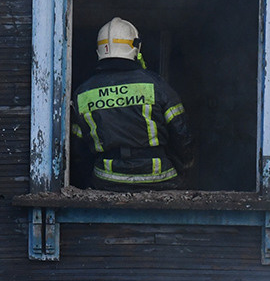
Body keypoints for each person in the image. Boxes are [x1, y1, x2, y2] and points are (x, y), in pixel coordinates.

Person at [70, 17, 196, 189]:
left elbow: (78, 150)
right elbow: (181, 134)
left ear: (100, 50)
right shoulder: (157, 86)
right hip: (158, 180)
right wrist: (186, 168)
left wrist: (84, 179)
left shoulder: (83, 93)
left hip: (107, 181)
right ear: (136, 47)